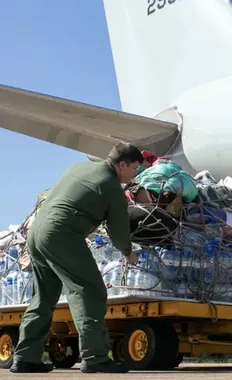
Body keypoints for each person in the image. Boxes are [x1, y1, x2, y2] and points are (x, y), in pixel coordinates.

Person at [11, 142, 144, 374]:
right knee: (89, 291)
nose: (135, 174)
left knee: (43, 297)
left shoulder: (78, 168)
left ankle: (25, 357)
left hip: (37, 232)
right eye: (134, 168)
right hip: (62, 234)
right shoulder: (111, 186)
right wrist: (127, 252)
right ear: (121, 164)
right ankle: (95, 357)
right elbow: (118, 230)